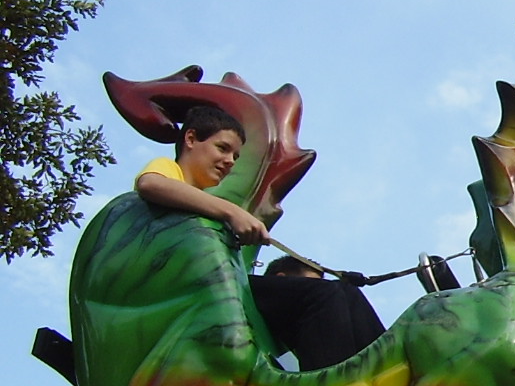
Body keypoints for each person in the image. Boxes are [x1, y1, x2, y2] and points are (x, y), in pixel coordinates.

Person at [135, 106, 385, 368]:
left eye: (235, 156)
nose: (230, 161)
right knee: (323, 295)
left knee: (347, 292)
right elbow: (150, 184)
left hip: (221, 284)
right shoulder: (171, 171)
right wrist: (232, 212)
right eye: (223, 148)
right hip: (194, 286)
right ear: (191, 139)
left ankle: (391, 369)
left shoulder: (206, 202)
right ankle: (334, 383)